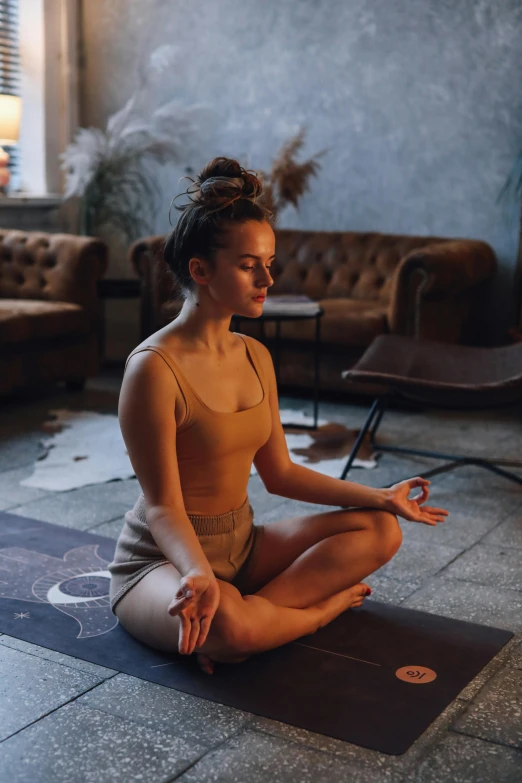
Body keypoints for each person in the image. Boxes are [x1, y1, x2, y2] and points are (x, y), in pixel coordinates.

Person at [107, 156, 449, 675]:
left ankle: (256, 619)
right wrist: (198, 573)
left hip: (243, 546)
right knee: (228, 629)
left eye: (269, 262)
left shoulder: (254, 356)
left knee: (382, 530)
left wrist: (383, 496)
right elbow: (161, 508)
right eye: (249, 265)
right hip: (162, 561)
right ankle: (306, 616)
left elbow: (280, 474)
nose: (268, 277)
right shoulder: (153, 370)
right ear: (200, 270)